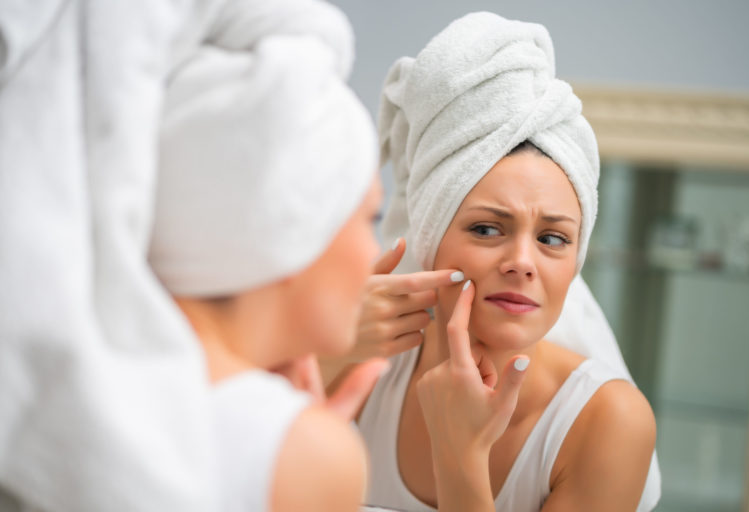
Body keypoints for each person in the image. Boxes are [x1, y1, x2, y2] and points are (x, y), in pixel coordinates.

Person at [356, 13, 660, 511]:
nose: (522, 262)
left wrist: (461, 457)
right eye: (487, 228)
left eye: (553, 238)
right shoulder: (363, 373)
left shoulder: (607, 421)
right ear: (430, 239)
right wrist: (328, 351)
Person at [148, 15, 386, 511]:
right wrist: (301, 455)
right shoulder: (303, 454)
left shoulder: (66, 383)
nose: (374, 254)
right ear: (291, 221)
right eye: (368, 219)